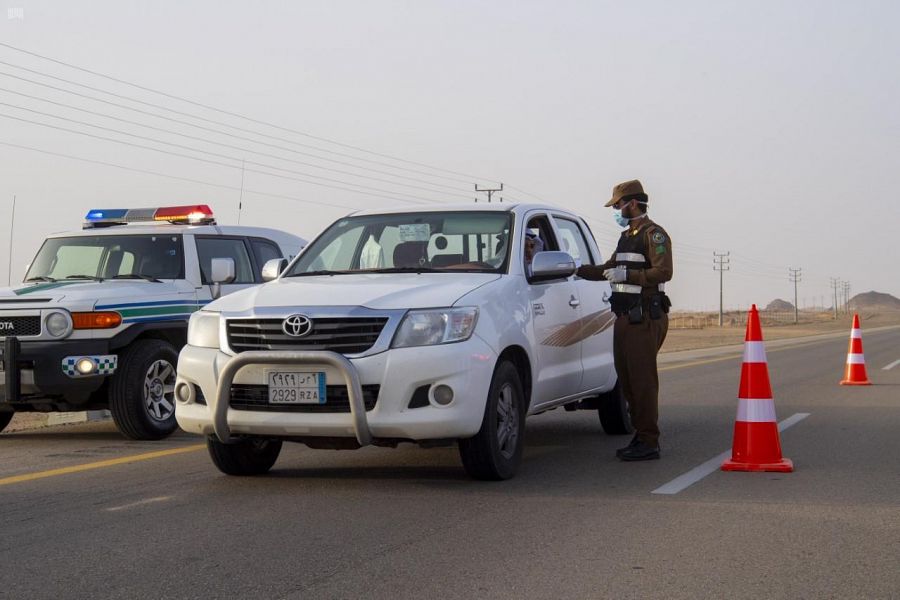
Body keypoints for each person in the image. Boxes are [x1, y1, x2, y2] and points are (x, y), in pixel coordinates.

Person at [577, 179, 673, 461]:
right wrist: (577, 269)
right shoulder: (627, 236)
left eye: (618, 205)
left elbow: (663, 272)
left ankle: (649, 441)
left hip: (644, 317)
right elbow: (609, 269)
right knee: (628, 380)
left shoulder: (653, 234)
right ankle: (640, 435)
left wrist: (628, 276)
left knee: (642, 381)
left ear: (632, 203)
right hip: (625, 317)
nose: (616, 210)